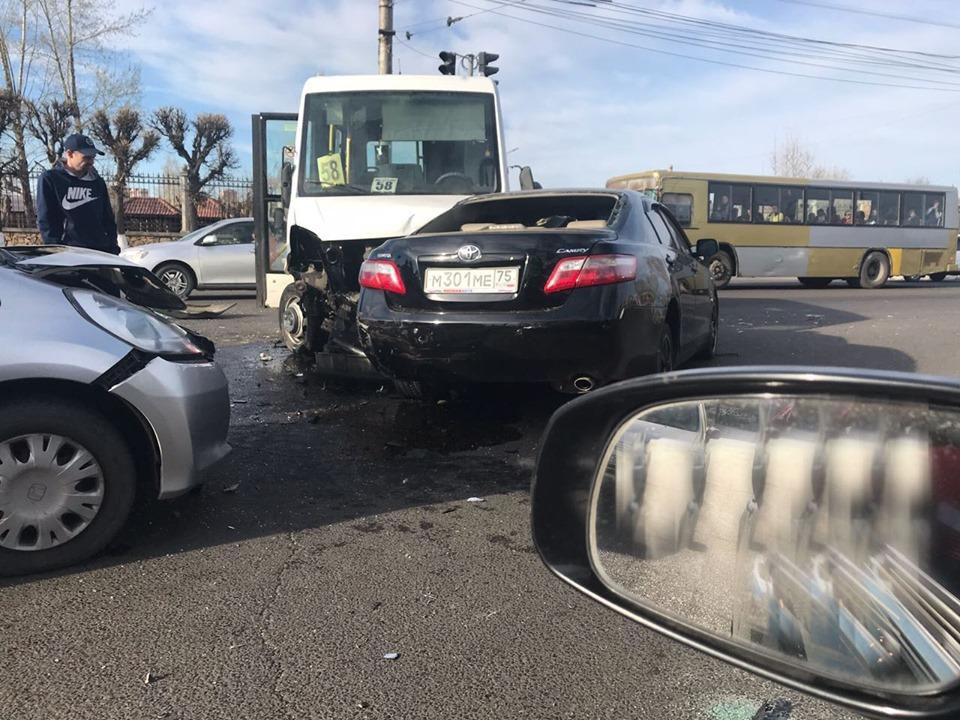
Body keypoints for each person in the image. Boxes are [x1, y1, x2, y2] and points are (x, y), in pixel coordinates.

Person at [36, 133, 118, 254]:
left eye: (93, 157)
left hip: (101, 252)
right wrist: (55, 249)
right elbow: (46, 219)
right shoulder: (50, 179)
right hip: (68, 252)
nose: (91, 162)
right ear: (69, 154)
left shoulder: (98, 182)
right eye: (87, 157)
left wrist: (112, 246)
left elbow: (108, 218)